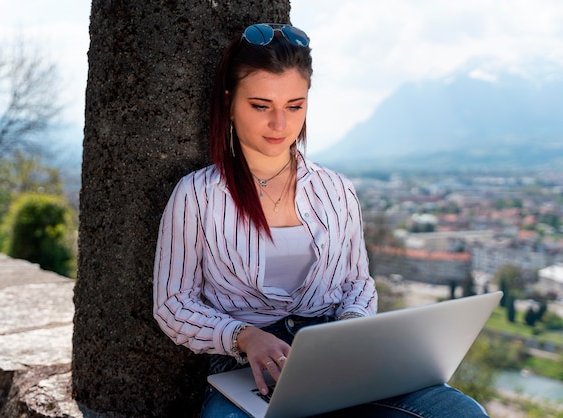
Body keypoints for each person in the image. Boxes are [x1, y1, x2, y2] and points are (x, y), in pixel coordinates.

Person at [153, 22, 489, 418]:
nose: (280, 125)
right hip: (246, 368)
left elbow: (357, 284)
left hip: (338, 359)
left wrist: (348, 332)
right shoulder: (197, 195)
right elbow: (174, 303)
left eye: (294, 106)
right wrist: (244, 337)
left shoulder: (337, 190)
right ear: (229, 102)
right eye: (261, 106)